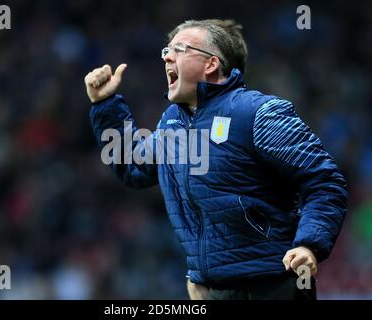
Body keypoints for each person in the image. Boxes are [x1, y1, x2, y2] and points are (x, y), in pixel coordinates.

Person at [84, 19, 347, 300]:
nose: (167, 57)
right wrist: (106, 104)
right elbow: (133, 167)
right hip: (213, 292)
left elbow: (324, 181)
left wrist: (309, 246)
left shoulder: (258, 112)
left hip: (274, 285)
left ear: (211, 64)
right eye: (165, 51)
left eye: (180, 49)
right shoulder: (173, 123)